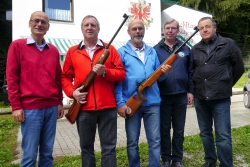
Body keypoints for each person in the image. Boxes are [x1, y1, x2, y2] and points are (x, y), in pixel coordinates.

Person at [61, 15, 125, 167]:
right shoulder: (72, 51)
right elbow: (64, 77)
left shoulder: (110, 49)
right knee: (86, 148)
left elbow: (121, 74)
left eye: (93, 25)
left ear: (98, 29)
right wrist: (72, 93)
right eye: (86, 25)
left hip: (108, 108)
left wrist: (105, 72)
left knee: (109, 148)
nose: (89, 27)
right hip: (83, 108)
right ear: (82, 29)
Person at [6, 11, 64, 167]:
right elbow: (12, 78)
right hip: (30, 109)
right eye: (36, 21)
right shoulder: (17, 46)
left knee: (47, 153)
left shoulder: (53, 50)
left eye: (43, 22)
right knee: (30, 155)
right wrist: (16, 106)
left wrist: (59, 102)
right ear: (29, 23)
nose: (39, 24)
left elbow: (58, 79)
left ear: (48, 27)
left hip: (51, 108)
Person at [115, 19, 171, 167]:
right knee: (132, 141)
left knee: (155, 140)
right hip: (131, 103)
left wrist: (165, 72)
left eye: (140, 28)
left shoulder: (152, 51)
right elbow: (118, 81)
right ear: (129, 32)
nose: (137, 31)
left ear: (144, 31)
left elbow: (159, 77)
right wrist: (120, 103)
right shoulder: (121, 52)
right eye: (134, 29)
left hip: (152, 103)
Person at [191, 17, 244, 167]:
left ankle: (226, 164)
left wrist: (225, 83)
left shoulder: (228, 44)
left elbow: (239, 67)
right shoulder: (195, 49)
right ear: (199, 31)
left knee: (223, 135)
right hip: (201, 98)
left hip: (220, 98)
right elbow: (192, 71)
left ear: (214, 28)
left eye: (208, 26)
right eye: (201, 28)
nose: (205, 30)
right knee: (205, 133)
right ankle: (210, 161)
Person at [154, 18, 194, 167]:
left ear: (177, 31)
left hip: (181, 96)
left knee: (179, 130)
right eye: (167, 28)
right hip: (163, 96)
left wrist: (190, 91)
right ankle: (165, 158)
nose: (170, 30)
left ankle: (177, 159)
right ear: (163, 30)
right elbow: (152, 74)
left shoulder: (185, 49)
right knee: (164, 129)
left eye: (173, 28)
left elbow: (191, 72)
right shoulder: (155, 50)